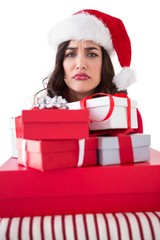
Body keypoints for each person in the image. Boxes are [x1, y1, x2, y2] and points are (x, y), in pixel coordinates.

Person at [34, 9, 143, 133]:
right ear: (61, 64)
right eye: (71, 54)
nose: (80, 65)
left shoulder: (125, 112)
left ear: (104, 64)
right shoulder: (40, 115)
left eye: (91, 54)